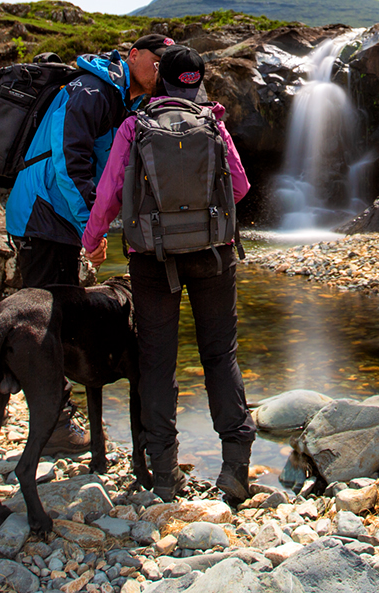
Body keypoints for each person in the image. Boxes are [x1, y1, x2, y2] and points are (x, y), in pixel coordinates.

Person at [82, 44, 255, 503]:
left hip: (151, 259)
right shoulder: (214, 124)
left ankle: (164, 474)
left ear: (160, 79)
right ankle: (236, 468)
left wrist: (92, 239)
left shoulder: (133, 126)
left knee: (158, 360)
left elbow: (109, 195)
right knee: (220, 355)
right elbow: (239, 186)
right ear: (197, 81)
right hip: (214, 255)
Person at [3, 32, 171, 452]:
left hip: (60, 218)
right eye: (155, 59)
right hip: (41, 215)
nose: (159, 69)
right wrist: (89, 229)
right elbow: (66, 159)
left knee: (60, 317)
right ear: (133, 55)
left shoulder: (124, 100)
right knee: (42, 323)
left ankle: (38, 410)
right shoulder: (93, 91)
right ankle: (54, 424)